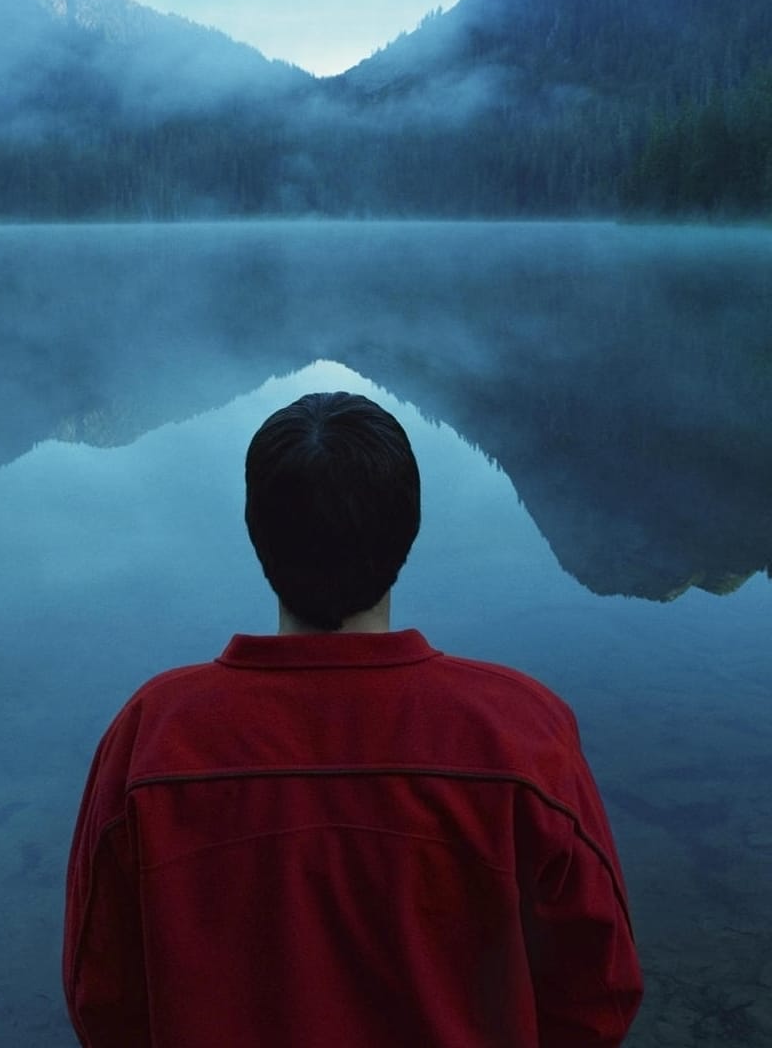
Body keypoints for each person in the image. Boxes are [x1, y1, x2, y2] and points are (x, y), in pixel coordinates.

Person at [62, 391, 642, 1047]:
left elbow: (100, 997)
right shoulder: (521, 734)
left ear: (257, 533)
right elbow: (601, 990)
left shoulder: (151, 739)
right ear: (408, 528)